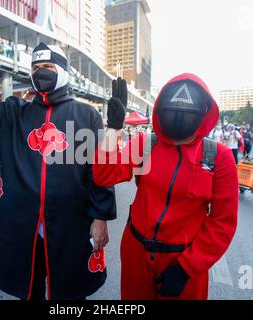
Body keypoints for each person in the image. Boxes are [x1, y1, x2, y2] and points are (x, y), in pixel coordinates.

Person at [0, 6, 116, 300]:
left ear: (62, 73)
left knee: (69, 294)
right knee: (28, 290)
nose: (39, 74)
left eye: (47, 69)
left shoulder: (86, 115)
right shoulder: (13, 111)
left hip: (71, 226)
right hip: (23, 227)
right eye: (35, 70)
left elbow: (98, 172)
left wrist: (101, 218)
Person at [93, 74, 238, 300]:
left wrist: (186, 268)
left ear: (204, 114)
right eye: (173, 111)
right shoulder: (145, 144)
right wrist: (113, 128)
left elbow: (222, 223)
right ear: (160, 110)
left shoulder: (218, 157)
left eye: (187, 113)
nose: (179, 118)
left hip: (184, 261)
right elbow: (104, 175)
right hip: (136, 254)